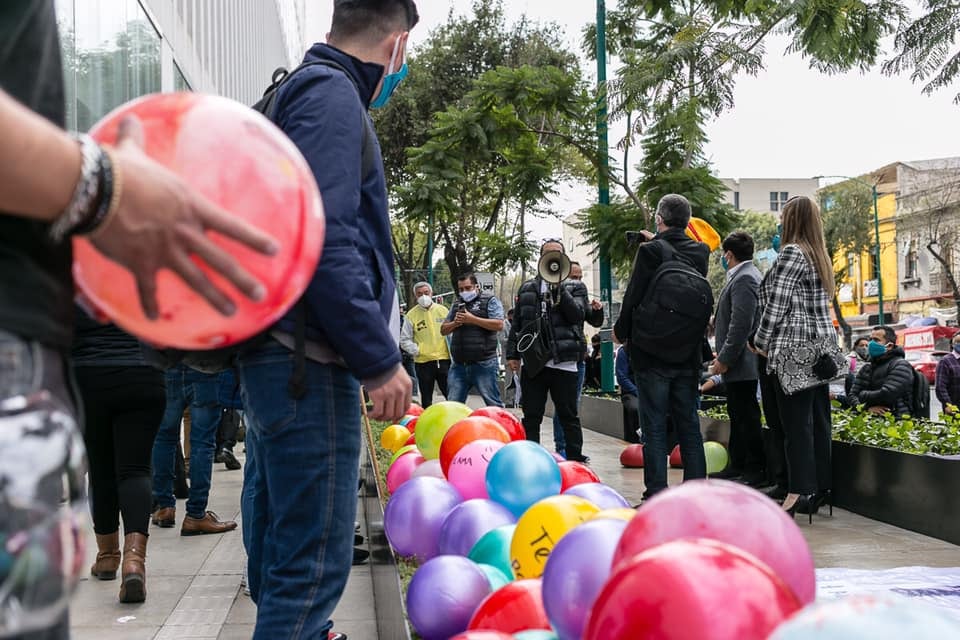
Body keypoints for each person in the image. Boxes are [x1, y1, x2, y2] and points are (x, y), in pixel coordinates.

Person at [0, 3, 276, 638]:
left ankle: (102, 555)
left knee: (104, 465)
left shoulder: (83, 279)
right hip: (124, 374)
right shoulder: (119, 280)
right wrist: (103, 186)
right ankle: (131, 556)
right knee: (133, 470)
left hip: (80, 378)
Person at [235, 2, 417, 638]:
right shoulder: (333, 96)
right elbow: (324, 237)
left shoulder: (300, 90)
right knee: (308, 572)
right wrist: (378, 358)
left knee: (283, 557)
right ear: (396, 44)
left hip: (283, 359)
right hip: (306, 365)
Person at [613, 194, 710, 501]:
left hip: (652, 354)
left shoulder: (650, 251)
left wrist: (620, 332)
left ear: (659, 218)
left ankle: (656, 493)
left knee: (653, 426)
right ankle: (696, 491)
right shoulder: (701, 251)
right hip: (688, 353)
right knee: (689, 427)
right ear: (688, 220)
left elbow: (634, 295)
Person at [752, 195, 840, 520]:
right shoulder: (819, 254)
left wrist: (760, 342)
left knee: (794, 426)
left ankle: (797, 490)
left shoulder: (792, 252)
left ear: (792, 220)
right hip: (820, 349)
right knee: (818, 421)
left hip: (791, 348)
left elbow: (776, 304)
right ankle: (820, 488)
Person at [72, 307, 165, 604]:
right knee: (135, 470)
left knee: (100, 472)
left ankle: (108, 555)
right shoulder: (144, 262)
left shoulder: (79, 270)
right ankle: (134, 561)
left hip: (87, 376)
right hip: (143, 372)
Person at [507, 240, 590, 462]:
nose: (553, 259)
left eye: (558, 254)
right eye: (548, 254)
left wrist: (560, 289)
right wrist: (512, 354)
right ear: (541, 258)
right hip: (535, 362)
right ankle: (532, 459)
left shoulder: (576, 287)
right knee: (532, 414)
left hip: (564, 361)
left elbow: (578, 315)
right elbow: (518, 324)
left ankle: (574, 460)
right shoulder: (527, 288)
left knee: (568, 415)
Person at [151, 366, 238, 535]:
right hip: (205, 366)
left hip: (170, 364)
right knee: (203, 442)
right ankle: (196, 514)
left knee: (164, 438)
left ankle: (164, 506)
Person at [710, 231, 765, 486]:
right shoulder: (743, 276)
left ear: (728, 254)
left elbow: (740, 325)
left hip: (743, 362)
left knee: (747, 416)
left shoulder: (745, 278)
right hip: (737, 363)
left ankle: (754, 470)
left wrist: (724, 358)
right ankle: (738, 465)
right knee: (738, 413)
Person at [552, 261, 604, 456]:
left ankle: (572, 448)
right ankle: (562, 447)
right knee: (564, 405)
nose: (578, 281)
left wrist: (598, 311)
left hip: (578, 357)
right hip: (561, 358)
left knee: (572, 406)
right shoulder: (555, 297)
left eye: (580, 277)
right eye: (574, 277)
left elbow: (593, 319)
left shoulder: (581, 297)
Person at [442, 273, 505, 407]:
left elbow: (499, 324)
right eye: (461, 289)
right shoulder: (457, 304)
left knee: (493, 404)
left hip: (484, 363)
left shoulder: (490, 300)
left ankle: (499, 427)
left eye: (468, 288)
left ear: (476, 286)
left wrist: (472, 319)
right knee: (452, 405)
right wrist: (455, 323)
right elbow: (443, 330)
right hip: (459, 364)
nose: (464, 292)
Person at [849, 326, 916, 417]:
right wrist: (866, 408)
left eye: (876, 340)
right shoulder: (867, 367)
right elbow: (852, 395)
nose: (871, 344)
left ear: (889, 346)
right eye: (871, 339)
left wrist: (862, 395)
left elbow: (887, 394)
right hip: (870, 423)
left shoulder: (900, 365)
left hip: (896, 420)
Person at [405, 282, 450, 407]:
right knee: (426, 399)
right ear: (415, 296)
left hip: (444, 360)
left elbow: (452, 332)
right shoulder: (411, 315)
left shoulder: (443, 310)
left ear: (431, 293)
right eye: (419, 294)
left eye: (426, 293)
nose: (423, 296)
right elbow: (404, 339)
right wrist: (418, 350)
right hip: (423, 363)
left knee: (451, 396)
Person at [615, 341, 641, 443]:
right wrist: (637, 391)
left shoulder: (651, 348)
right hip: (631, 392)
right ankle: (636, 440)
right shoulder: (624, 351)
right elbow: (622, 377)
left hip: (650, 390)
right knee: (635, 409)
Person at [936, 332, 960, 413]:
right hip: (954, 408)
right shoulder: (945, 361)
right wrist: (947, 404)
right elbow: (940, 387)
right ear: (952, 344)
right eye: (958, 342)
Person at [398, 312, 419, 400]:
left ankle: (414, 399)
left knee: (413, 378)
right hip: (397, 355)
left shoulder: (405, 319)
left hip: (408, 354)